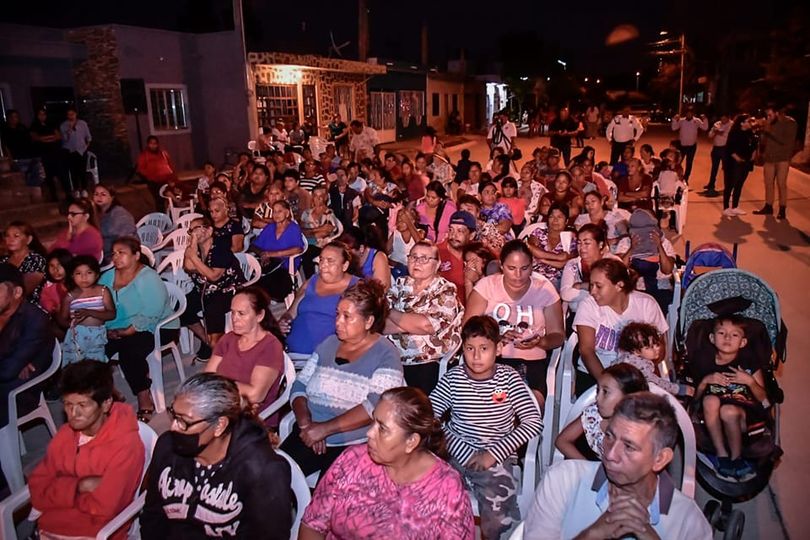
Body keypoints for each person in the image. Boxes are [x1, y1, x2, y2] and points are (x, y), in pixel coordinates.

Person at [524, 392, 713, 539]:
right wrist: (592, 535)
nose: (611, 454)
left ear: (660, 459)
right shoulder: (562, 480)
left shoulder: (687, 521)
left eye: (629, 447)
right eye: (609, 436)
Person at [299, 387, 474, 539]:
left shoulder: (446, 489)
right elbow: (313, 525)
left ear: (411, 442)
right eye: (373, 421)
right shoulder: (352, 460)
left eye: (382, 428)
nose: (369, 433)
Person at [141, 373, 292, 538]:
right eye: (174, 416)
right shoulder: (167, 447)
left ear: (219, 425)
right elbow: (153, 515)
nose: (173, 428)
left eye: (184, 421)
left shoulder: (263, 470)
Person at [430, 315, 542, 539]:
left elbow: (533, 422)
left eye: (484, 348)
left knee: (497, 516)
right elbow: (428, 416)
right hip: (455, 454)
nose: (476, 356)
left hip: (497, 459)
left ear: (498, 348)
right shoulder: (454, 378)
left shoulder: (509, 379)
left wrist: (492, 454)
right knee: (434, 498)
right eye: (469, 348)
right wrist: (458, 447)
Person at [281, 279, 404, 476]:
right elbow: (299, 385)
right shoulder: (329, 343)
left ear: (369, 321)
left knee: (331, 498)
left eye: (347, 317)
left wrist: (325, 430)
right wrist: (307, 425)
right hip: (308, 432)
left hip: (353, 444)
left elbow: (375, 407)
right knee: (269, 476)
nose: (338, 322)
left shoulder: (386, 354)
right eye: (337, 314)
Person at [28, 360, 145, 540]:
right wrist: (79, 486)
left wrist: (58, 493)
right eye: (67, 404)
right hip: (47, 529)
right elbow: (36, 490)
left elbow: (106, 509)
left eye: (82, 405)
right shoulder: (65, 435)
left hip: (94, 533)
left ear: (106, 404)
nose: (73, 414)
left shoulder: (127, 445)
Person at [464, 241, 565, 404]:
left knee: (529, 406)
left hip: (532, 362)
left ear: (532, 266)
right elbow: (467, 328)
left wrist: (540, 342)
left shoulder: (544, 289)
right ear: (502, 266)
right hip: (493, 361)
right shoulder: (487, 286)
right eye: (511, 268)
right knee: (498, 403)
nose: (518, 275)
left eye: (524, 269)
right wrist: (495, 338)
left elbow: (558, 335)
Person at [99, 237, 177, 420]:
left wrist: (129, 331)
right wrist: (105, 329)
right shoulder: (107, 277)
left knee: (130, 353)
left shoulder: (148, 277)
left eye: (122, 253)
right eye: (114, 254)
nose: (116, 258)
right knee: (91, 349)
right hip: (116, 328)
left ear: (136, 255)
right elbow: (98, 304)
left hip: (155, 326)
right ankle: (110, 391)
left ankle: (144, 398)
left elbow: (153, 310)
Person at [573, 258, 668, 395]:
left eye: (598, 286)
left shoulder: (646, 304)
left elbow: (660, 349)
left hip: (637, 376)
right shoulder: (588, 305)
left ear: (619, 285)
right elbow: (587, 351)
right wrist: (609, 385)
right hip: (596, 374)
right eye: (591, 285)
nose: (592, 291)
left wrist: (644, 366)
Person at [691, 316, 767, 481]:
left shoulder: (749, 362)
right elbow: (695, 398)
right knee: (709, 400)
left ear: (743, 342)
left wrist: (749, 381)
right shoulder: (704, 361)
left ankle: (736, 458)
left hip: (744, 418)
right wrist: (706, 381)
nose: (727, 338)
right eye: (722, 333)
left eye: (734, 335)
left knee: (728, 410)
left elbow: (762, 396)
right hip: (712, 419)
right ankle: (723, 455)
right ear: (712, 338)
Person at [385, 241, 463, 395]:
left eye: (424, 258)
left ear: (438, 263)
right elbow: (380, 324)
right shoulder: (401, 284)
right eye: (413, 257)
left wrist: (390, 312)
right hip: (393, 358)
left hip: (428, 360)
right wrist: (413, 324)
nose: (417, 262)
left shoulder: (445, 289)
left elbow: (428, 326)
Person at [204, 287, 285, 427]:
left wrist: (220, 383)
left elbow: (255, 395)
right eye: (233, 312)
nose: (234, 319)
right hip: (223, 407)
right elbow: (207, 377)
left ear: (259, 316)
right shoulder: (228, 339)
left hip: (251, 418)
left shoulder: (270, 347)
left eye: (241, 313)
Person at [181, 215, 245, 362]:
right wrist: (193, 248)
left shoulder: (220, 247)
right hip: (204, 290)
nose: (193, 234)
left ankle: (219, 348)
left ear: (209, 231)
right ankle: (208, 342)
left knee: (212, 309)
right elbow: (188, 267)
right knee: (183, 307)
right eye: (190, 231)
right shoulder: (193, 248)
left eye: (197, 229)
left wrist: (195, 260)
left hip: (227, 289)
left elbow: (214, 276)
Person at [555, 362, 648, 460]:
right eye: (598, 390)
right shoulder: (594, 413)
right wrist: (588, 468)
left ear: (628, 398)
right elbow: (562, 441)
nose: (597, 398)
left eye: (605, 392)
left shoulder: (641, 429)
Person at [0, 264, 54, 431]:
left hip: (17, 395)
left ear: (16, 292)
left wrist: (12, 361)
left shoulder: (35, 320)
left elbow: (7, 372)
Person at [281, 241, 359, 356]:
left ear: (345, 266)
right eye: (321, 259)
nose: (322, 265)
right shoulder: (312, 281)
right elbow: (291, 313)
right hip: (292, 354)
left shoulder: (356, 286)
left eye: (330, 261)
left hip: (328, 358)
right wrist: (283, 322)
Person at [58, 255, 115, 364]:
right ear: (72, 276)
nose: (84, 277)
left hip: (97, 335)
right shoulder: (70, 296)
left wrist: (90, 312)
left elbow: (111, 314)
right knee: (75, 365)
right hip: (76, 336)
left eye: (89, 273)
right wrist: (71, 324)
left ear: (97, 274)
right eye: (78, 274)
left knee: (96, 365)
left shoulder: (103, 291)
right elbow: (62, 319)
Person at [560, 224, 622, 316]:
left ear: (600, 244)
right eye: (579, 243)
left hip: (608, 315)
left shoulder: (613, 262)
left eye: (587, 243)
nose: (581, 247)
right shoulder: (572, 264)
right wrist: (598, 291)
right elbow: (565, 294)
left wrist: (583, 286)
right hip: (578, 314)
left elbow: (616, 293)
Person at [250, 200, 304, 302]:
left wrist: (272, 254)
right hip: (268, 263)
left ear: (287, 213)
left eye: (280, 211)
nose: (276, 214)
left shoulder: (293, 228)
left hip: (284, 264)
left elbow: (298, 248)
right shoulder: (270, 228)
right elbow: (253, 245)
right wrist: (262, 254)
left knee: (276, 282)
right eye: (274, 211)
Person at [616, 322, 690, 396]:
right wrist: (680, 389)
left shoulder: (625, 358)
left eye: (656, 344)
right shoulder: (640, 365)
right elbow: (657, 382)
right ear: (636, 351)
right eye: (650, 347)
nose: (657, 348)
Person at [754, 105, 798, 219]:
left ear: (777, 113)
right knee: (768, 183)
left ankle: (782, 208)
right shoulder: (770, 124)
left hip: (783, 158)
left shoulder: (790, 123)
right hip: (769, 158)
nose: (768, 117)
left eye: (770, 115)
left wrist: (768, 129)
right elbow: (764, 140)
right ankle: (768, 206)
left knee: (781, 184)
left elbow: (785, 141)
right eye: (767, 115)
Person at [527, 203, 578, 289]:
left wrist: (543, 259)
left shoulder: (570, 240)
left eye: (559, 217)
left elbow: (563, 264)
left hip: (555, 279)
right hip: (534, 275)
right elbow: (531, 248)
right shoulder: (539, 232)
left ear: (566, 221)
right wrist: (558, 257)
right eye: (552, 217)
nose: (555, 220)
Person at [1, 220, 47, 304]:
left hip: (29, 307)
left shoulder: (36, 260)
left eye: (16, 236)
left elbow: (23, 290)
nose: (10, 240)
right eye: (7, 236)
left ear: (28, 239)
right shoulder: (3, 261)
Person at [721, 114, 758, 218]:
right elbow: (730, 148)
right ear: (741, 123)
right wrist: (738, 159)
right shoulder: (734, 133)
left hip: (745, 162)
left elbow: (754, 145)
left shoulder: (750, 133)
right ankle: (726, 208)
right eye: (748, 121)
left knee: (739, 184)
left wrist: (753, 155)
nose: (750, 123)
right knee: (729, 185)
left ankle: (735, 206)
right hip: (733, 163)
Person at [300, 185, 338, 277]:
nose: (318, 198)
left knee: (308, 254)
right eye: (315, 196)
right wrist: (317, 230)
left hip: (322, 246)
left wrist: (309, 232)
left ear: (325, 197)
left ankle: (310, 281)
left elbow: (325, 232)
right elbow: (300, 230)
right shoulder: (306, 213)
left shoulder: (329, 213)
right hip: (305, 244)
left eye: (321, 196)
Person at [93, 184, 136, 265]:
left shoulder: (120, 215)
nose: (99, 197)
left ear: (112, 197)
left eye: (103, 194)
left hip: (114, 257)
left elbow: (127, 241)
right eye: (96, 194)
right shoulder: (97, 213)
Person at [438, 211, 475, 305]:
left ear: (471, 235)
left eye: (460, 231)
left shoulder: (478, 253)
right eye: (451, 230)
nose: (454, 235)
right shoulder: (436, 252)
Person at [30, 108, 66, 202]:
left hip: (55, 152)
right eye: (40, 114)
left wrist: (46, 139)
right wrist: (49, 138)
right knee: (49, 175)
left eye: (44, 114)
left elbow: (58, 136)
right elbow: (37, 138)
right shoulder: (34, 126)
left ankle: (66, 193)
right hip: (44, 154)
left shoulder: (51, 124)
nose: (42, 116)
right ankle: (53, 195)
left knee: (60, 173)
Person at [135, 135, 178, 211]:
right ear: (148, 144)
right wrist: (152, 176)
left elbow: (171, 166)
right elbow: (141, 169)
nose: (153, 145)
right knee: (160, 200)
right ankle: (162, 218)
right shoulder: (144, 155)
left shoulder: (163, 153)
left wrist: (174, 179)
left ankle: (176, 212)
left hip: (167, 179)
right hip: (154, 181)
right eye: (151, 143)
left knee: (178, 191)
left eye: (155, 143)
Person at [59, 107, 92, 199]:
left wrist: (86, 147)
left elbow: (88, 137)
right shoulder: (63, 126)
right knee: (73, 172)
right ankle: (76, 189)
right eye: (69, 115)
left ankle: (84, 189)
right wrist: (69, 131)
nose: (71, 116)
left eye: (72, 114)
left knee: (82, 171)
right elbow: (64, 140)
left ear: (75, 114)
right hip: (70, 151)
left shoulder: (82, 124)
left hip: (81, 151)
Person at [670, 107, 709, 181]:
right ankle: (676, 176)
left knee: (689, 163)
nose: (689, 114)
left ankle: (686, 178)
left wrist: (705, 119)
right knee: (678, 161)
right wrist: (674, 119)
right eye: (687, 113)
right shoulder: (681, 121)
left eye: (690, 113)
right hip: (682, 145)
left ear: (693, 114)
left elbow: (705, 127)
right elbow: (674, 128)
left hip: (692, 146)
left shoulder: (696, 121)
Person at [703, 113, 732, 196]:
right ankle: (711, 184)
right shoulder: (717, 124)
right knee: (714, 168)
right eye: (721, 119)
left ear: (728, 118)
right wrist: (716, 132)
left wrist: (719, 132)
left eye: (724, 119)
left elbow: (726, 135)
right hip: (716, 148)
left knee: (726, 168)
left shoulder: (731, 125)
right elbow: (710, 135)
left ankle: (728, 186)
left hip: (725, 148)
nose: (723, 121)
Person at [40, 249, 72, 320]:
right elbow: (46, 302)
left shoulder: (77, 282)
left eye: (59, 265)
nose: (55, 270)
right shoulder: (48, 287)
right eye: (51, 266)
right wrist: (54, 309)